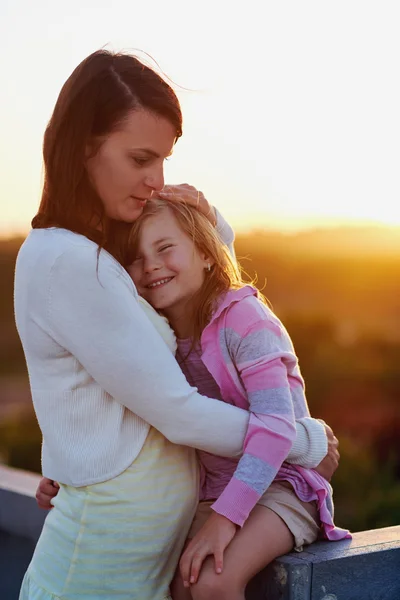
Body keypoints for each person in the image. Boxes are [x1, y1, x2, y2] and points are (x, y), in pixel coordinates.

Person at [16, 49, 336, 600]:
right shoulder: (68, 261)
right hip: (99, 567)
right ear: (86, 147)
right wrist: (298, 439)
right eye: (141, 158)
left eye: (163, 160)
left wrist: (215, 228)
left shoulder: (101, 256)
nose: (155, 180)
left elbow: (187, 310)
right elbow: (177, 410)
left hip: (144, 561)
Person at [124, 197, 350, 600]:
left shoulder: (245, 319)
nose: (150, 265)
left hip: (283, 486)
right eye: (136, 257)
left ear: (207, 254)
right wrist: (65, 474)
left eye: (164, 248)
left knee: (215, 581)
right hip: (210, 491)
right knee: (175, 586)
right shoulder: (156, 338)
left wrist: (224, 518)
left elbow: (276, 427)